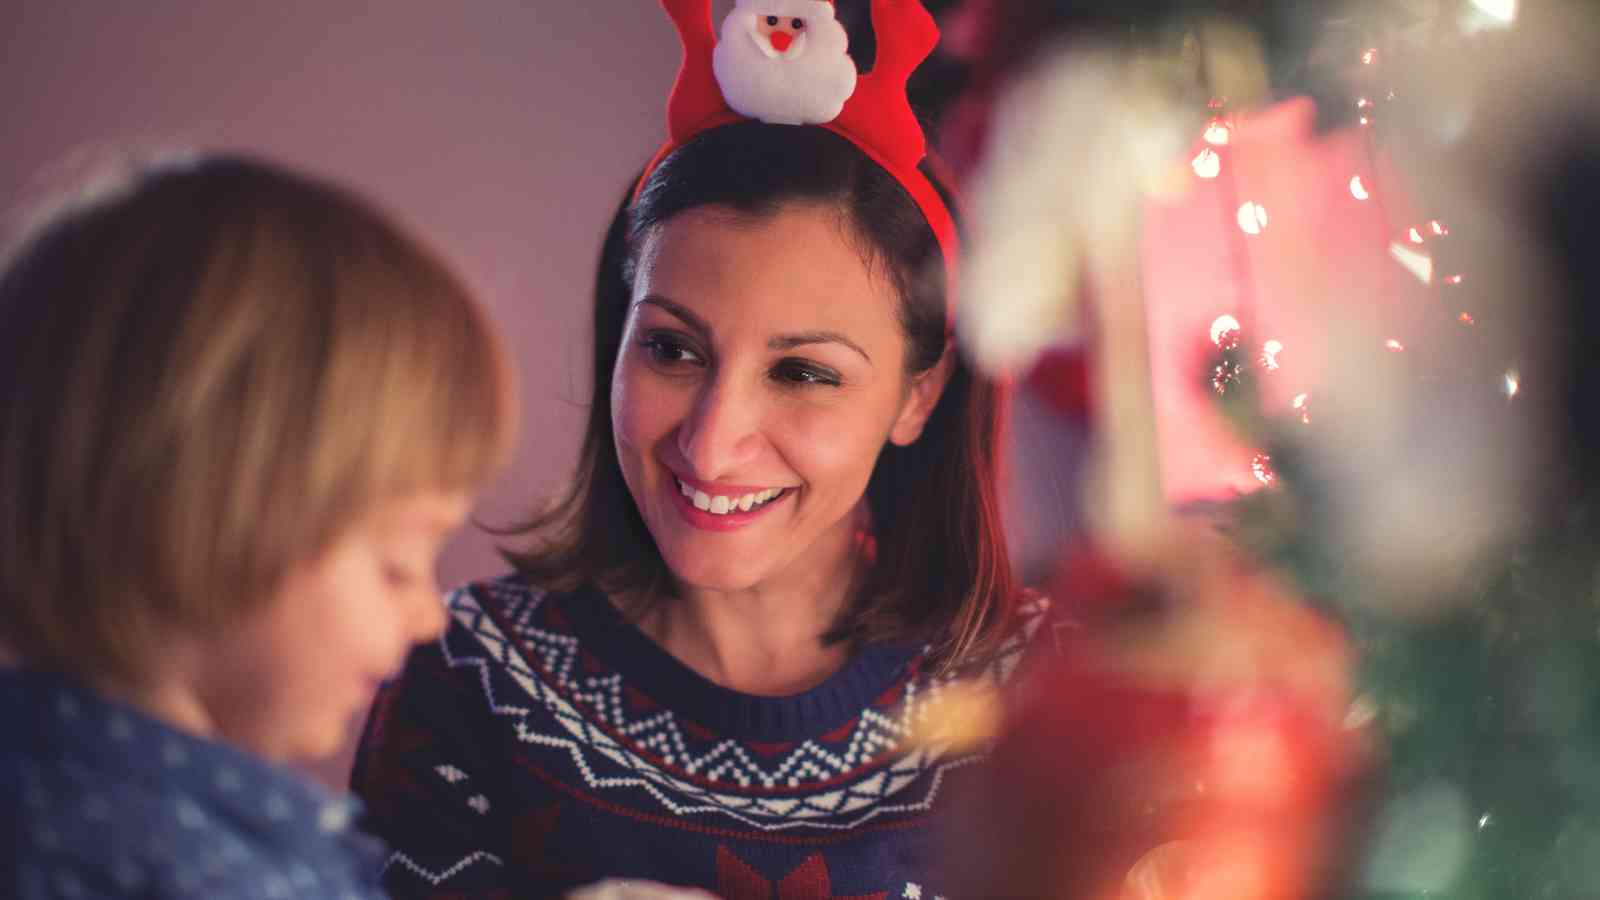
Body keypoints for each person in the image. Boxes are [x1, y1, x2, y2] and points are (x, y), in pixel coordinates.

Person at [348, 1, 1058, 897]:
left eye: (803, 372)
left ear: (919, 394)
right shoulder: (464, 674)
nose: (713, 443)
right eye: (673, 350)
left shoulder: (1050, 695)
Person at [0, 154, 517, 899]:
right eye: (398, 563)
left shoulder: (70, 797)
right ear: (201, 524)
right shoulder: (176, 870)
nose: (428, 616)